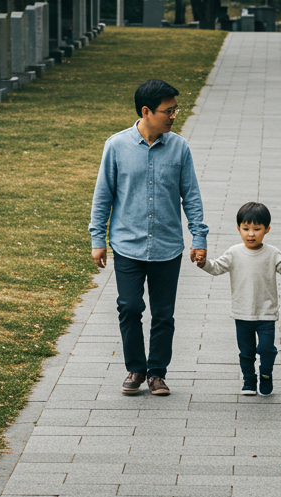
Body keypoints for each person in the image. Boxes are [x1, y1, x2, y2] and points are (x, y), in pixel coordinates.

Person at [89, 79, 208, 396]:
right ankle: (135, 368)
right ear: (146, 111)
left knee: (163, 314)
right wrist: (97, 239)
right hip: (127, 245)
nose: (173, 116)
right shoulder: (116, 146)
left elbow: (191, 198)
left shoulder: (179, 148)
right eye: (168, 111)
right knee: (128, 307)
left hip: (168, 247)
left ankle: (157, 372)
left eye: (175, 110)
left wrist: (199, 237)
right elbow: (104, 197)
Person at [195, 202, 281, 396]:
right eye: (246, 229)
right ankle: (248, 380)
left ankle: (265, 374)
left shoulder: (272, 253)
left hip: (266, 314)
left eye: (257, 229)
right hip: (242, 313)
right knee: (246, 352)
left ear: (267, 229)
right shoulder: (234, 252)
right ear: (238, 229)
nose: (251, 234)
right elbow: (216, 268)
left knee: (266, 349)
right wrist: (203, 263)